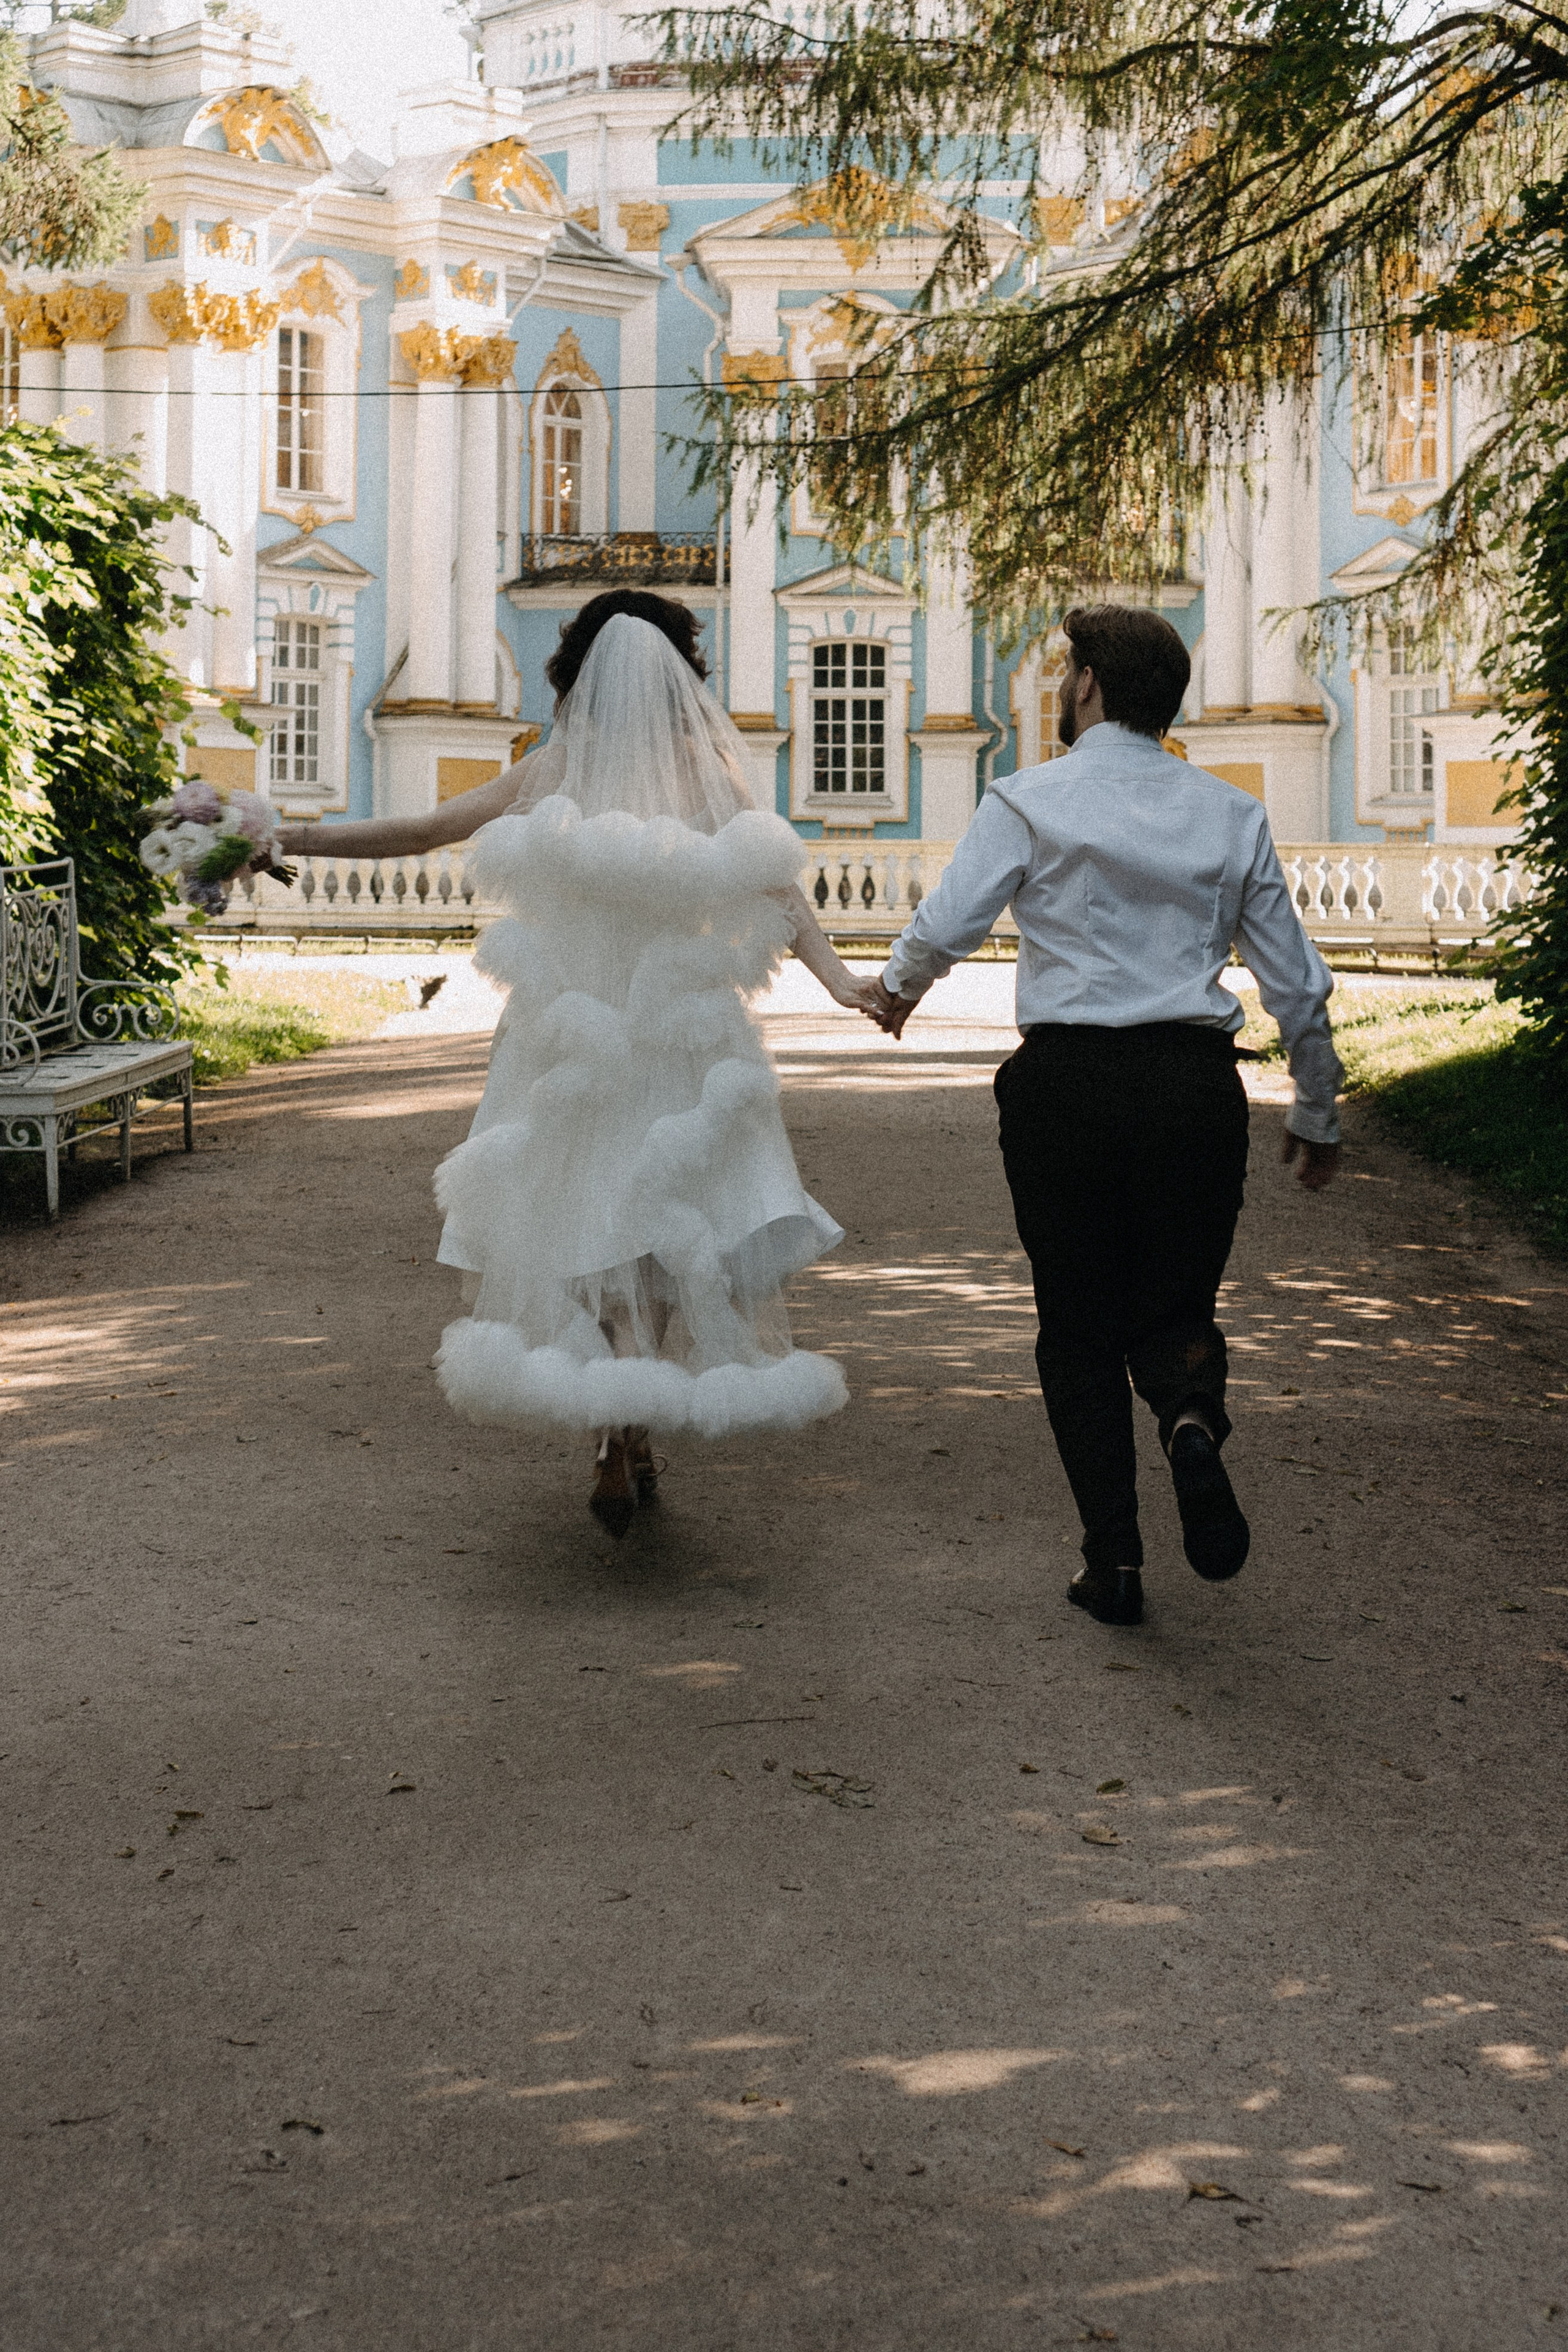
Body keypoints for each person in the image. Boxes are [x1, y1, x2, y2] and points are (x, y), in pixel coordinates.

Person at [277, 589, 880, 1536]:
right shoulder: (708, 777)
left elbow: (424, 831)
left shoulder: (554, 769)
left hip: (569, 1034)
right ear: (681, 673)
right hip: (681, 1035)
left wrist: (288, 837)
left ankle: (611, 1424)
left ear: (576, 670)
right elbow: (781, 887)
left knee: (581, 1209)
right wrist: (842, 981)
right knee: (671, 1218)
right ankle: (632, 1413)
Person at [867, 603, 1343, 1627]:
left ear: (1087, 685)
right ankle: (1188, 1419)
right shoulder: (1231, 813)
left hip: (1067, 1088)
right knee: (1176, 1304)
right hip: (1190, 1088)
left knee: (1077, 1325)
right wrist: (1316, 1106)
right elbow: (1295, 982)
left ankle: (1114, 1562)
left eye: (1068, 670)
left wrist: (899, 989)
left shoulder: (1028, 797)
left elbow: (950, 919)